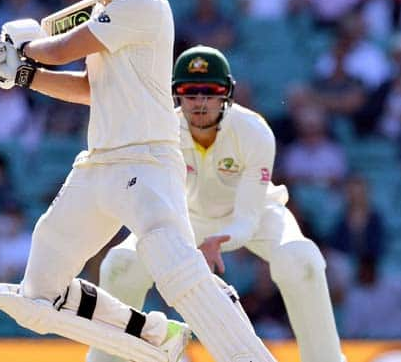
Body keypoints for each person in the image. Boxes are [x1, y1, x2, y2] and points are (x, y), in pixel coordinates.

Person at [0, 0, 276, 362]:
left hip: (147, 163)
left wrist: (21, 48)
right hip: (98, 165)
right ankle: (155, 335)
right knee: (37, 298)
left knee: (177, 273)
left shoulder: (145, 6)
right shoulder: (103, 14)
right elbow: (89, 88)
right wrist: (24, 75)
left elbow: (58, 50)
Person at [91, 45, 344, 362]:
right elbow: (155, 203)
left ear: (227, 94)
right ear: (176, 95)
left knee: (301, 259)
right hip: (185, 217)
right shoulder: (160, 133)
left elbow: (248, 216)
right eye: (190, 92)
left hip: (256, 214)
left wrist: (223, 239)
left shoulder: (253, 132)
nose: (199, 103)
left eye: (210, 92)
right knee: (120, 266)